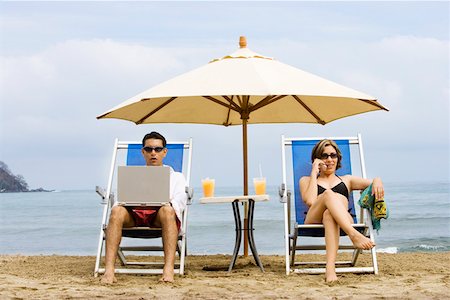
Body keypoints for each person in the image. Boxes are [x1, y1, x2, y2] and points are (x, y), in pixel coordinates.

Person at [101, 131, 187, 284]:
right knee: (116, 211)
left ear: (165, 152)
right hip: (133, 215)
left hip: (159, 218)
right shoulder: (132, 175)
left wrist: (165, 200)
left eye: (158, 149)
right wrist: (125, 202)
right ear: (143, 152)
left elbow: (181, 200)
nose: (153, 153)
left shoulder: (176, 177)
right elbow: (120, 198)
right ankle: (109, 271)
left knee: (168, 210)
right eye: (148, 149)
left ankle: (168, 270)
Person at [299, 139, 384, 283]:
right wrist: (314, 172)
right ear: (317, 160)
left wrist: (377, 180)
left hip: (342, 219)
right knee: (328, 194)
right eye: (324, 156)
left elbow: (372, 183)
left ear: (338, 158)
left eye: (333, 155)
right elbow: (310, 201)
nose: (329, 159)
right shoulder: (306, 180)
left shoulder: (347, 180)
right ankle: (354, 235)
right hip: (313, 219)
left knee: (329, 214)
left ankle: (330, 269)